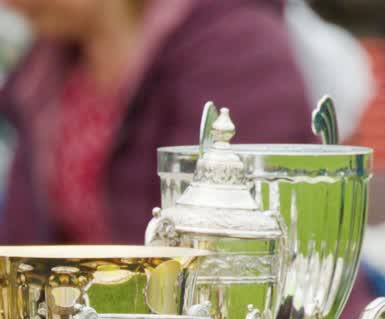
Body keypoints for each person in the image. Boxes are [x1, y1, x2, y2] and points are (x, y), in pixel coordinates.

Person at [0, 0, 314, 247]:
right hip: (91, 318)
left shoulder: (234, 45)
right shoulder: (48, 67)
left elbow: (236, 243)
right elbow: (21, 238)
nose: (10, 4)